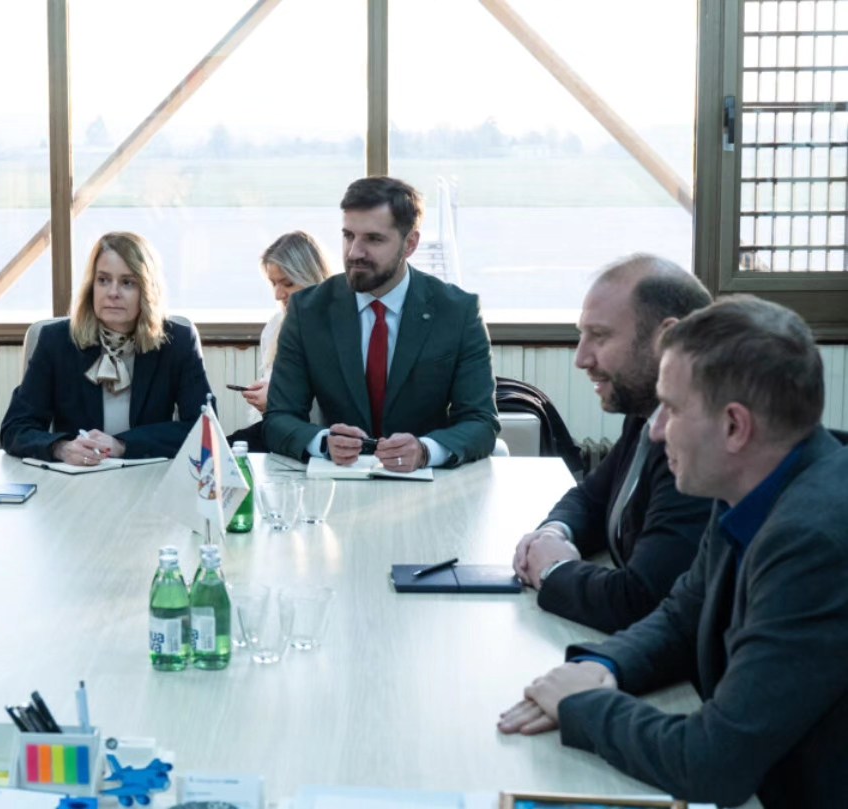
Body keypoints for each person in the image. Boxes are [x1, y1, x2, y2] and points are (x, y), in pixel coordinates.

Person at [498, 296, 848, 809]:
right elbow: (683, 616)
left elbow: (712, 763)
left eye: (673, 409)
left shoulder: (813, 540)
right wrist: (606, 666)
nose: (656, 430)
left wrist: (583, 706)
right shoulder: (750, 482)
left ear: (734, 427)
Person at [511, 255, 713, 632]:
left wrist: (553, 570)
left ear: (667, 339)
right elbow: (591, 498)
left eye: (600, 336)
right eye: (582, 334)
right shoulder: (645, 413)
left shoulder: (700, 443)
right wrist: (553, 533)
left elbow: (641, 601)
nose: (581, 358)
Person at [263, 177, 498, 469]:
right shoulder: (308, 310)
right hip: (337, 480)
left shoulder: (457, 312)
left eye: (373, 239)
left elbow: (481, 422)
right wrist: (323, 443)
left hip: (427, 483)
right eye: (348, 236)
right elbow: (278, 419)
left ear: (410, 244)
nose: (354, 252)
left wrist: (425, 451)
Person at [0, 231, 213, 464]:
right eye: (103, 280)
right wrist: (61, 448)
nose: (112, 293)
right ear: (91, 286)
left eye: (127, 283)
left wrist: (123, 445)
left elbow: (205, 429)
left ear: (147, 290)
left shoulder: (177, 341)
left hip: (146, 473)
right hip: (79, 475)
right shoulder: (56, 341)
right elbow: (15, 428)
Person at [227, 231, 332, 451]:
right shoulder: (275, 326)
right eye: (273, 283)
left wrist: (277, 400)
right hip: (276, 430)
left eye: (288, 283)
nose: (277, 294)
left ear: (312, 277)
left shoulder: (335, 328)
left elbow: (329, 408)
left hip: (314, 436)